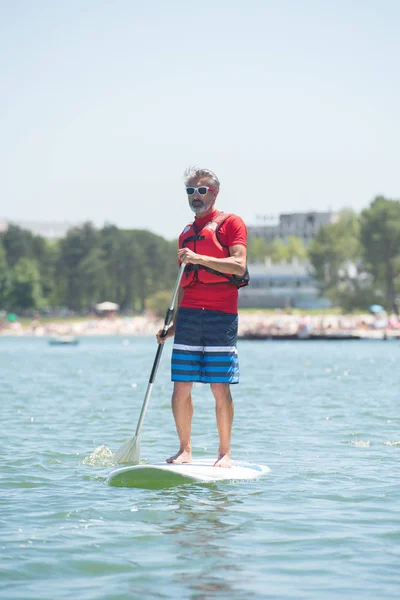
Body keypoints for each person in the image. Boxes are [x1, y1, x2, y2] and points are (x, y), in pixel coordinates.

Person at [156, 166, 248, 468]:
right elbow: (184, 283)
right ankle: (185, 449)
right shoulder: (185, 233)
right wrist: (172, 327)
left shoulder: (231, 223)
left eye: (202, 190)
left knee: (219, 386)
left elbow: (238, 265)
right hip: (190, 317)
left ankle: (225, 454)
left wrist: (199, 258)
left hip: (221, 316)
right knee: (181, 385)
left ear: (214, 193)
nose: (196, 196)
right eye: (190, 191)